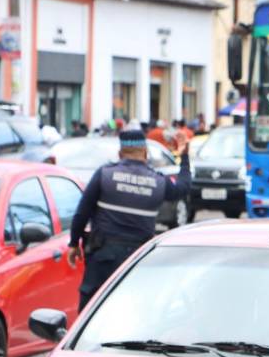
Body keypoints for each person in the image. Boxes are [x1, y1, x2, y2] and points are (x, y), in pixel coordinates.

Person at [67, 128, 192, 310]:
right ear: (146, 153)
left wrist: (73, 242)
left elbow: (82, 213)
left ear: (120, 153)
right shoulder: (158, 182)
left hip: (103, 260)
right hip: (137, 260)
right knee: (135, 311)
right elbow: (183, 187)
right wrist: (185, 157)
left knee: (92, 310)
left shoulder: (105, 175)